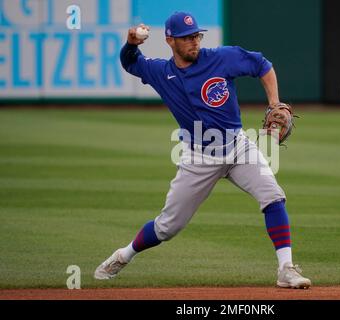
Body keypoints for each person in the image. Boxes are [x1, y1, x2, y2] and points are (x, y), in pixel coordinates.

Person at [94, 11, 311, 289]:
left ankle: (286, 269)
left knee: (273, 196)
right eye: (187, 38)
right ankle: (124, 255)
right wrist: (131, 43)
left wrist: (274, 103)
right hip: (198, 156)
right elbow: (130, 63)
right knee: (166, 228)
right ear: (170, 40)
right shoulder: (161, 72)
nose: (194, 42)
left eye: (196, 35)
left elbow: (261, 64)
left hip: (238, 146)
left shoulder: (221, 58)